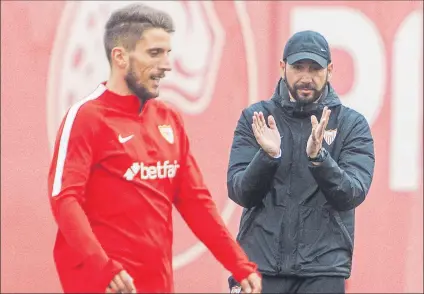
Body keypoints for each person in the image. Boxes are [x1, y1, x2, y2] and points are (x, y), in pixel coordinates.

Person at [47, 3, 262, 294]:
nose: (167, 65)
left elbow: (195, 203)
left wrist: (239, 265)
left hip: (157, 285)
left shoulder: (168, 119)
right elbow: (65, 200)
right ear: (120, 57)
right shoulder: (86, 118)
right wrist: (103, 268)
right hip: (102, 283)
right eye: (154, 53)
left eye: (167, 53)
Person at [226, 30, 375, 293]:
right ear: (283, 67)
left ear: (329, 70)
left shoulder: (351, 124)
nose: (306, 78)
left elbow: (352, 194)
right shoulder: (256, 117)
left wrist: (320, 158)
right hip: (258, 266)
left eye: (315, 69)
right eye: (298, 67)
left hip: (323, 271)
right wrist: (268, 156)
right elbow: (240, 192)